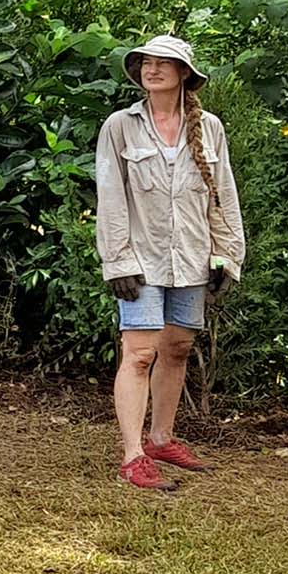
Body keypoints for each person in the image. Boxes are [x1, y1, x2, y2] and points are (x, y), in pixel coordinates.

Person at [94, 34, 245, 492]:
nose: (152, 70)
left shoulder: (210, 128)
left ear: (184, 75)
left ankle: (161, 438)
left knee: (177, 348)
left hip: (193, 259)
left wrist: (226, 253)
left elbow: (223, 198)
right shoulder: (120, 126)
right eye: (145, 63)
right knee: (139, 354)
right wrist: (117, 261)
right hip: (140, 261)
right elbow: (111, 195)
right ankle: (133, 455)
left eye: (164, 63)